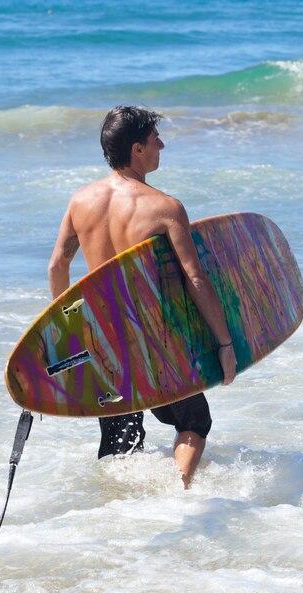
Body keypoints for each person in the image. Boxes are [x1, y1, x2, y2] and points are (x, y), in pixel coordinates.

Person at [48, 105, 237, 488]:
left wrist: (71, 336)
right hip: (155, 344)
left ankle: (120, 521)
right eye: (155, 140)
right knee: (194, 421)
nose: (162, 145)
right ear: (137, 149)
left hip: (105, 344)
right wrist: (224, 343)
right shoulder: (165, 208)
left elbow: (57, 268)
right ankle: (178, 492)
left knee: (118, 444)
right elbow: (195, 279)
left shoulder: (80, 201)